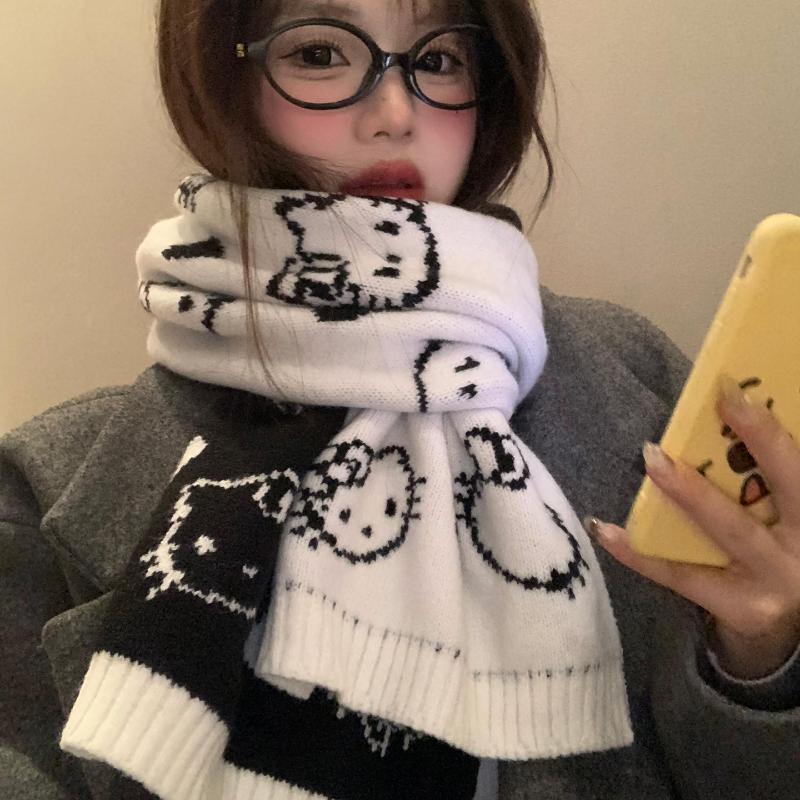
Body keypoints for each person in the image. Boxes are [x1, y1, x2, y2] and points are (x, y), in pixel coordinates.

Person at [2, 1, 798, 798]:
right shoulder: (40, 488)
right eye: (319, 53)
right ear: (219, 82)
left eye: (441, 58)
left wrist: (764, 660)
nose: (395, 112)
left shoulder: (638, 381)